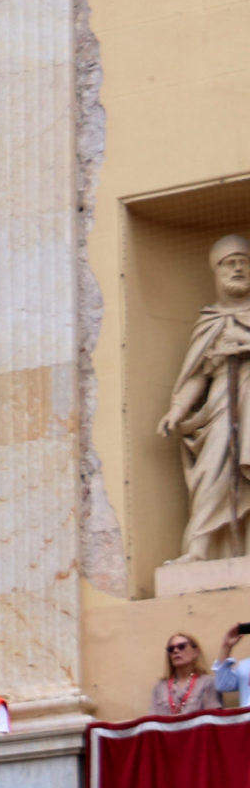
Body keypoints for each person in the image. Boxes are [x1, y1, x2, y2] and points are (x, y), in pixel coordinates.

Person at [157, 234, 250, 563]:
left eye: (243, 262)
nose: (238, 268)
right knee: (212, 472)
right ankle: (200, 548)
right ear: (217, 271)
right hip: (221, 409)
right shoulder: (209, 321)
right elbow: (196, 374)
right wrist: (177, 410)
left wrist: (243, 344)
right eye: (229, 263)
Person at [150, 634, 218, 717]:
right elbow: (152, 721)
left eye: (181, 646)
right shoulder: (159, 687)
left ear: (196, 652)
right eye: (171, 649)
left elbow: (213, 718)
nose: (175, 651)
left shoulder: (207, 682)